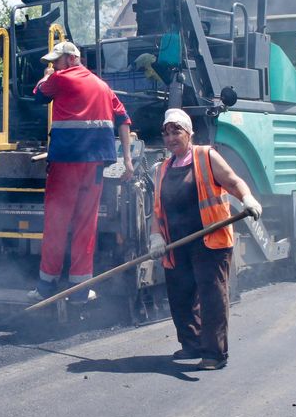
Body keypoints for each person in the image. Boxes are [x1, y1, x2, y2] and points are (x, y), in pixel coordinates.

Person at [149, 108, 262, 370]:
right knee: (180, 295)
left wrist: (247, 199)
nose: (170, 137)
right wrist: (156, 237)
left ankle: (214, 353)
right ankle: (192, 344)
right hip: (177, 243)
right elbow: (158, 210)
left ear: (189, 133)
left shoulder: (206, 156)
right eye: (166, 133)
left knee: (211, 296)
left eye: (176, 130)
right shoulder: (162, 169)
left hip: (210, 240)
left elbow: (234, 181)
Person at [32, 40, 134, 302]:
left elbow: (39, 97)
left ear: (72, 59)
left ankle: (46, 285)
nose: (53, 65)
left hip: (67, 161)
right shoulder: (103, 86)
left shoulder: (61, 78)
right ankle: (79, 290)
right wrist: (128, 160)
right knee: (85, 224)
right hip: (96, 164)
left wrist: (46, 77)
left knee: (56, 222)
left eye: (56, 60)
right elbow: (123, 120)